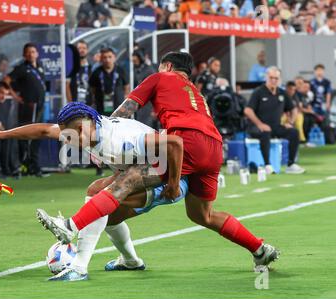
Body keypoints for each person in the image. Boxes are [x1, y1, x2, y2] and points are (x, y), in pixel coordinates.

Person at [36, 52, 280, 276]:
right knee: (202, 214)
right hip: (215, 147)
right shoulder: (195, 92)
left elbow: (123, 112)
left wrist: (101, 138)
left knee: (120, 183)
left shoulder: (159, 77)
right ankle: (259, 249)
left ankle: (70, 226)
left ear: (168, 66)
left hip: (185, 143)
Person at [0, 102, 187, 281]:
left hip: (166, 175)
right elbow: (43, 130)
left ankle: (78, 261)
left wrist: (174, 185)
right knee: (101, 206)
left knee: (102, 200)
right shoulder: (82, 129)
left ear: (83, 127)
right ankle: (130, 261)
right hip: (134, 170)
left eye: (71, 136)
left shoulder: (120, 140)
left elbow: (175, 143)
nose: (68, 142)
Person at [244, 67, 306, 175]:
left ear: (279, 79)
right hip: (256, 127)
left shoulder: (282, 93)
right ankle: (267, 165)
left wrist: (290, 122)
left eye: (276, 78)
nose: (273, 80)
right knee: (266, 131)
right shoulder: (258, 92)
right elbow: (248, 110)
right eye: (271, 77)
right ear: (266, 77)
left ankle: (291, 164)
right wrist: (260, 124)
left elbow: (293, 109)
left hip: (275, 126)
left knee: (294, 132)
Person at [4, 43, 48, 177]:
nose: (31, 54)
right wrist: (15, 96)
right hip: (29, 106)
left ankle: (34, 166)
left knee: (39, 135)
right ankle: (25, 166)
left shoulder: (40, 67)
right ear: (24, 55)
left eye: (33, 52)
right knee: (28, 135)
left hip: (40, 105)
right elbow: (6, 80)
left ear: (37, 53)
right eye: (28, 52)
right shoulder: (22, 68)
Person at [89, 47, 130, 175]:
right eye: (104, 57)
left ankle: (120, 166)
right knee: (101, 138)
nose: (107, 60)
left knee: (118, 138)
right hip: (102, 112)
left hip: (119, 112)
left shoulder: (121, 71)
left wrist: (125, 108)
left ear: (114, 57)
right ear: (101, 59)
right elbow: (93, 91)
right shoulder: (96, 73)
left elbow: (126, 89)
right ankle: (99, 167)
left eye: (109, 57)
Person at [66, 40, 93, 105]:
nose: (82, 50)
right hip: (75, 104)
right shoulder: (71, 68)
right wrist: (71, 104)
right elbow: (67, 87)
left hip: (90, 105)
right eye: (79, 48)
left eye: (84, 48)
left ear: (87, 50)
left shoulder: (92, 68)